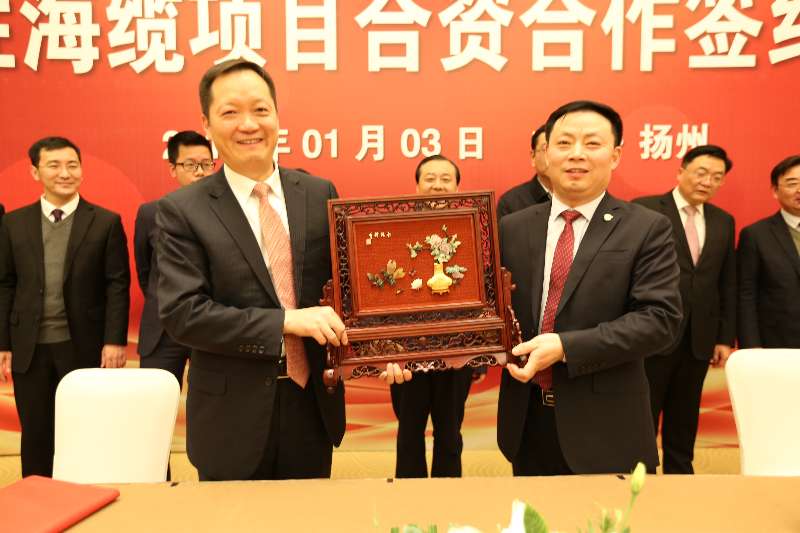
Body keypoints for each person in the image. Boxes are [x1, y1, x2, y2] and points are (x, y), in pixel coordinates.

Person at [155, 59, 347, 481]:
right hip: (231, 415)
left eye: (261, 110)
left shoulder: (318, 193)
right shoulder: (182, 210)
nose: (249, 124)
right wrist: (285, 322)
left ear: (277, 116)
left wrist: (383, 351)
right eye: (230, 112)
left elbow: (344, 291)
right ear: (206, 125)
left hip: (311, 404)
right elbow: (184, 314)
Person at [496, 100, 682, 475]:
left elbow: (659, 321)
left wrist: (566, 347)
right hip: (527, 420)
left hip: (606, 426)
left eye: (592, 143)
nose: (576, 154)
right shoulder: (513, 227)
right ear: (545, 153)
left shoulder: (646, 227)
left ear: (615, 156)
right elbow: (488, 309)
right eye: (564, 143)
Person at [0, 136, 130, 477]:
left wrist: (114, 341)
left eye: (72, 165)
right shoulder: (13, 223)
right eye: (54, 165)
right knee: (36, 433)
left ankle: (84, 494)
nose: (65, 173)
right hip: (29, 347)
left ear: (81, 170)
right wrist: (3, 344)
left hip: (83, 343)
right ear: (35, 172)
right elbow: (6, 284)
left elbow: (117, 284)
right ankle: (37, 495)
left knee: (84, 429)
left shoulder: (105, 222)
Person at [634, 145, 736, 474]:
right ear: (681, 171)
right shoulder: (646, 209)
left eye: (717, 177)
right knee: (643, 414)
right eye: (701, 173)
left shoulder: (723, 221)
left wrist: (724, 337)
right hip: (652, 334)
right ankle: (641, 476)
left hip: (698, 339)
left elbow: (727, 282)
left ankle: (681, 477)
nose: (707, 182)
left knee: (685, 416)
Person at [388, 154, 474, 479]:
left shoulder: (473, 230)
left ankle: (449, 499)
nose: (438, 185)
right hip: (407, 351)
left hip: (457, 350)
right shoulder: (397, 231)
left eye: (445, 179)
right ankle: (408, 503)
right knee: (409, 432)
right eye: (430, 178)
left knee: (450, 432)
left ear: (457, 188)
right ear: (417, 186)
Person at [134, 131, 215, 387]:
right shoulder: (151, 213)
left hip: (212, 326)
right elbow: (146, 270)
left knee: (212, 404)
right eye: (190, 165)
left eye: (206, 164)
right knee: (153, 402)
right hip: (162, 330)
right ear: (173, 169)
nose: (200, 172)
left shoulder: (228, 214)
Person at [738, 155, 800, 349]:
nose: (799, 189)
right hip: (777, 343)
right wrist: (751, 346)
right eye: (792, 183)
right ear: (775, 191)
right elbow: (746, 294)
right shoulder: (756, 234)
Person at [496, 125, 551, 219]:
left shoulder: (576, 198)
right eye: (546, 149)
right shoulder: (510, 203)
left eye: (561, 148)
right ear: (533, 157)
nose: (553, 155)